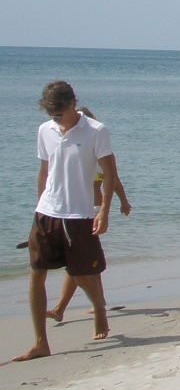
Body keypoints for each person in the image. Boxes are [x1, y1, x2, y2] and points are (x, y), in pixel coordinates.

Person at [14, 80, 123, 361]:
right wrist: (39, 207)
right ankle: (41, 342)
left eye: (60, 113)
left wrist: (104, 211)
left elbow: (110, 174)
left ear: (73, 104)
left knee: (82, 274)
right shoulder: (45, 130)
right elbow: (44, 171)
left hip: (79, 215)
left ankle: (99, 309)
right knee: (37, 273)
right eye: (52, 115)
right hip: (46, 212)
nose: (56, 119)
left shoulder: (96, 131)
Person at [45, 105, 132, 324]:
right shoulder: (72, 150)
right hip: (73, 212)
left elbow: (113, 178)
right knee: (87, 263)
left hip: (90, 214)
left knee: (80, 264)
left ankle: (64, 307)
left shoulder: (93, 148)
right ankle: (96, 301)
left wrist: (121, 202)